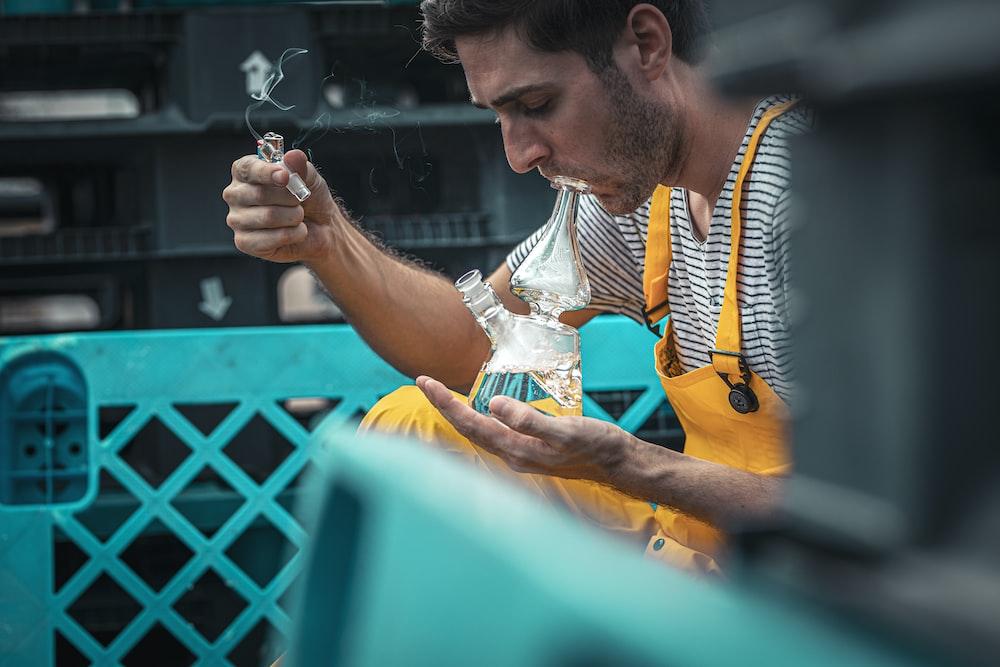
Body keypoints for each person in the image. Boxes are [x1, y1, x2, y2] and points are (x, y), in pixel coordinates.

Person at [223, 0, 811, 576]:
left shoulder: (807, 206)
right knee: (418, 428)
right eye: (499, 115)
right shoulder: (643, 198)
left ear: (647, 44)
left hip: (813, 605)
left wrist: (629, 464)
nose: (519, 156)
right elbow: (469, 346)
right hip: (702, 554)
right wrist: (328, 242)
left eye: (536, 104)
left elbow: (882, 528)